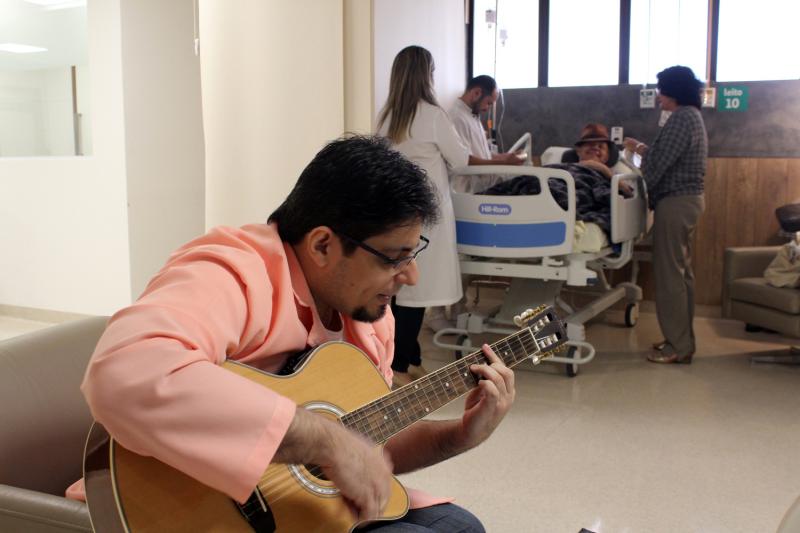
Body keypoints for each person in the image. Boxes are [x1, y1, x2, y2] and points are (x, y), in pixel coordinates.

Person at [73, 136, 514, 532]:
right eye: (393, 258)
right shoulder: (232, 274)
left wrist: (456, 435)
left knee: (460, 527)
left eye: (412, 253)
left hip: (297, 505)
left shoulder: (370, 312)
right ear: (322, 245)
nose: (411, 276)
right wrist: (319, 437)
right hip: (183, 505)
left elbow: (360, 446)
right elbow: (122, 372)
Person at [376, 45, 470, 388]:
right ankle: (399, 367)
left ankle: (410, 358)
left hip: (394, 213)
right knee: (417, 292)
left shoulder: (385, 117)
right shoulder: (432, 115)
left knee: (400, 290)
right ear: (426, 75)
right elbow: (461, 160)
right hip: (428, 215)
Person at [623, 65, 707, 364]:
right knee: (681, 274)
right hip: (687, 201)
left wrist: (630, 186)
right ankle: (681, 341)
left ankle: (678, 347)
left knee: (670, 276)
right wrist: (641, 148)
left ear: (673, 90)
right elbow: (664, 155)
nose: (658, 96)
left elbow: (658, 166)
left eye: (661, 90)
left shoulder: (682, 118)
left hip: (676, 203)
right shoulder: (690, 117)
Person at [449, 74, 525, 194]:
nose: (488, 108)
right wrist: (504, 163)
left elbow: (482, 155)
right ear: (476, 93)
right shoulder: (457, 118)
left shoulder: (473, 116)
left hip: (484, 187)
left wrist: (506, 156)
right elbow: (466, 160)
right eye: (489, 103)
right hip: (469, 193)